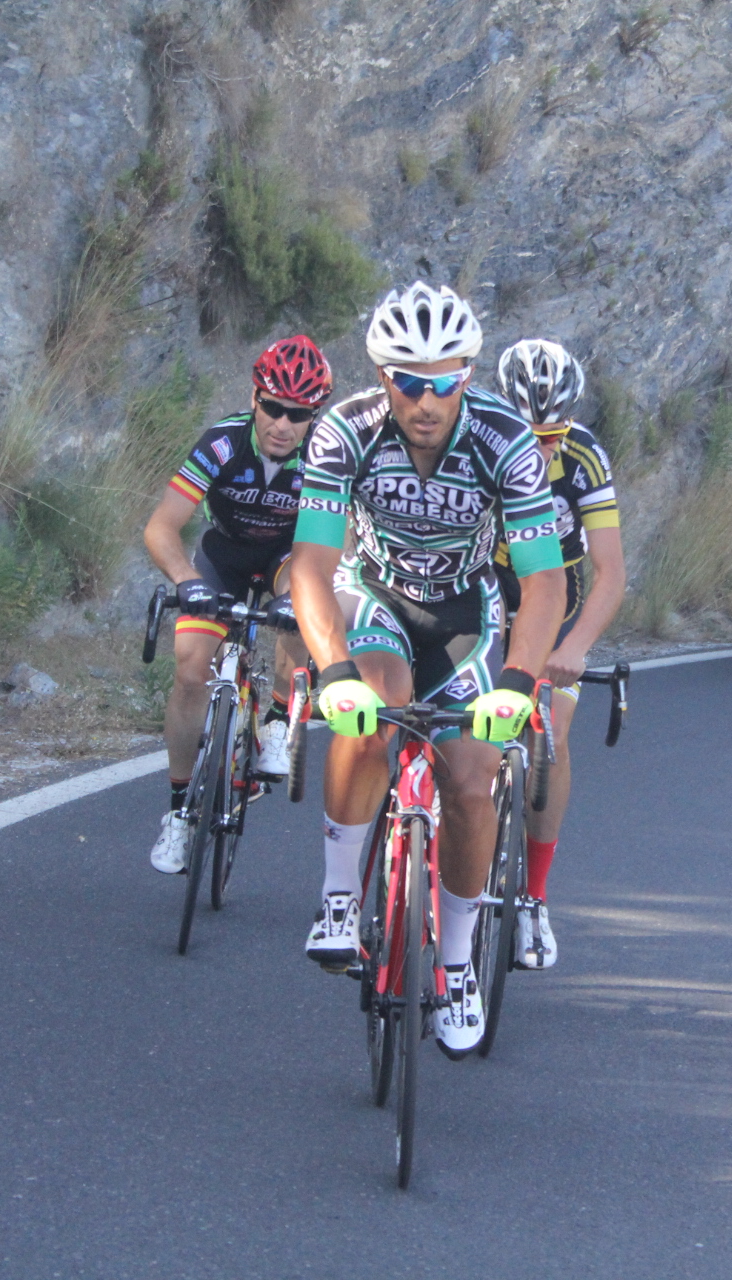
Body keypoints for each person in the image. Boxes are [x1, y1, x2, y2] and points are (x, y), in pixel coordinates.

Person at [287, 282, 567, 1058]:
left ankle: (457, 965)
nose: (426, 399)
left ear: (467, 374)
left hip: (466, 618)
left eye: (443, 380)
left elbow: (545, 580)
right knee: (372, 709)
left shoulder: (506, 440)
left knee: (472, 778)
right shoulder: (344, 430)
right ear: (382, 377)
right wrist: (331, 668)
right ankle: (341, 897)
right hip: (377, 598)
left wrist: (516, 684)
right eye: (408, 381)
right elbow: (310, 562)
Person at [140, 336, 333, 874]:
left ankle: (276, 717)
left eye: (298, 414)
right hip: (222, 557)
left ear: (313, 417)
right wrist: (185, 580)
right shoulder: (223, 443)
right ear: (254, 398)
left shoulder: (323, 459)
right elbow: (162, 526)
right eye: (273, 407)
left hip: (285, 556)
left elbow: (335, 544)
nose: (282, 423)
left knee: (300, 598)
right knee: (189, 672)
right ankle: (179, 812)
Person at [491, 339, 626, 971]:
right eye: (531, 433)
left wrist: (574, 648)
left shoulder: (584, 456)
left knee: (550, 738)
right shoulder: (478, 439)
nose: (543, 447)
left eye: (554, 433)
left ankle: (534, 897)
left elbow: (610, 573)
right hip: (483, 583)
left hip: (559, 589)